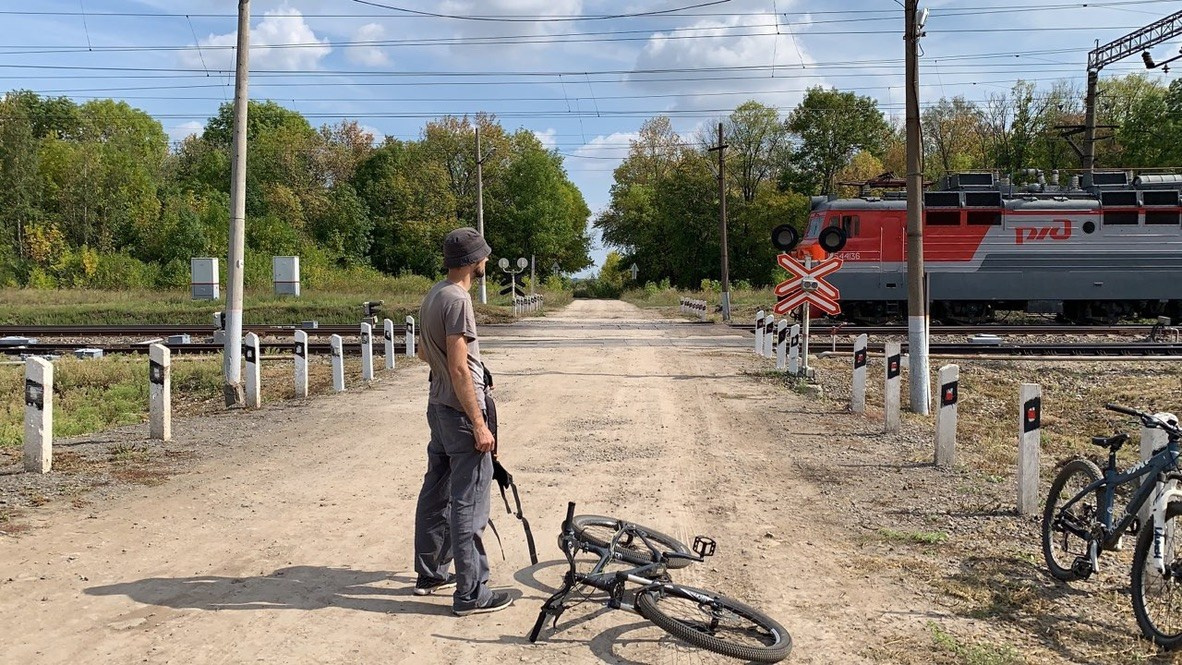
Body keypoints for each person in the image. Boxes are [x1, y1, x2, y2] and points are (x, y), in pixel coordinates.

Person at [412, 227, 513, 616]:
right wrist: (479, 421)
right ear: (474, 262)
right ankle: (472, 593)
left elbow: (424, 351)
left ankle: (432, 572)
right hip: (459, 412)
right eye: (484, 256)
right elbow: (457, 366)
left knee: (435, 491)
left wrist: (447, 372)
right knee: (468, 501)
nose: (487, 261)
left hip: (438, 408)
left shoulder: (434, 294)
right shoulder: (458, 300)